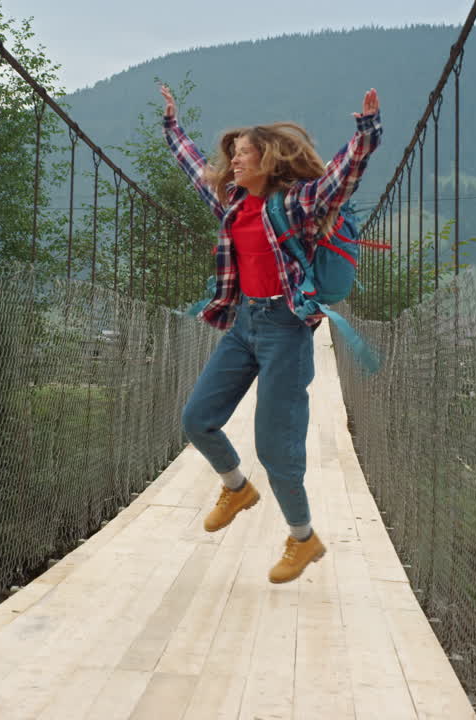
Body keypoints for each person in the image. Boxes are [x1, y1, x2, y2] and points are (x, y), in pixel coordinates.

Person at [161, 83, 381, 583]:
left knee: (274, 447)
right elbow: (197, 171)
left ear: (268, 160)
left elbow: (341, 179)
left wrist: (365, 131)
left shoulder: (297, 206)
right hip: (243, 327)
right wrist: (172, 128)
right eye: (232, 155)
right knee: (197, 419)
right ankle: (236, 487)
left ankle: (302, 539)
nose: (232, 162)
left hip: (285, 330)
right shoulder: (233, 205)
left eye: (242, 155)